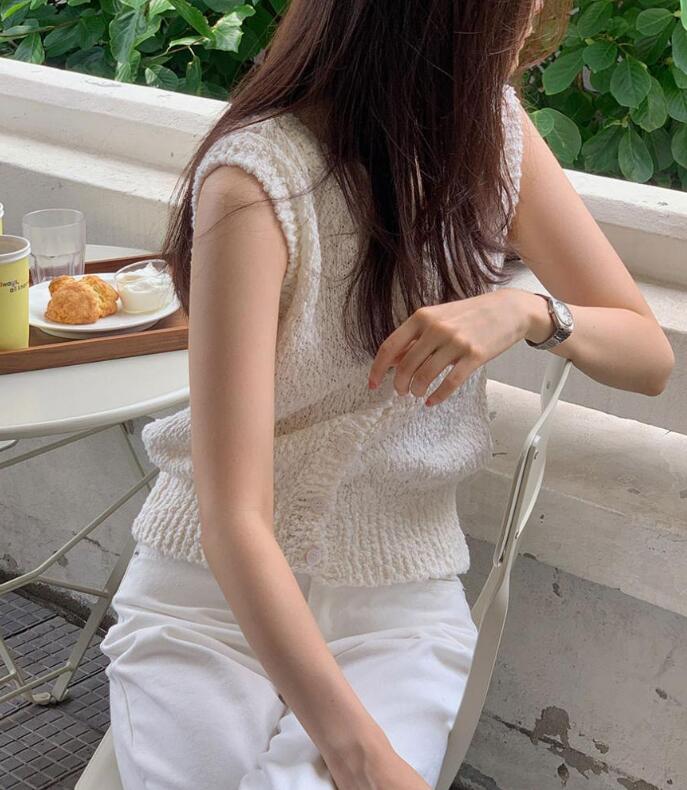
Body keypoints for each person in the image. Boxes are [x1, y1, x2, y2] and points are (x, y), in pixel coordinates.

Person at [99, 1, 675, 788]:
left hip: (396, 600)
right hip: (210, 597)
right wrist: (360, 756)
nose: (537, 18)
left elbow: (647, 357)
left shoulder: (493, 134)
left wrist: (524, 312)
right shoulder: (256, 180)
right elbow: (234, 517)